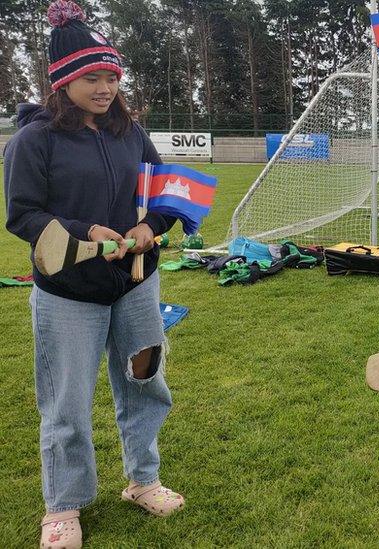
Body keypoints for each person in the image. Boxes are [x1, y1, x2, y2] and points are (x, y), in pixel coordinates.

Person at [3, 2, 183, 547]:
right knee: (66, 401)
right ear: (63, 82)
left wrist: (151, 224)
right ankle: (64, 504)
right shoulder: (33, 140)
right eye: (92, 78)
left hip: (136, 286)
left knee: (144, 382)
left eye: (111, 77)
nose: (105, 88)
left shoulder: (131, 132)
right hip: (67, 295)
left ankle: (142, 479)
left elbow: (166, 190)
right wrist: (88, 234)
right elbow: (23, 215)